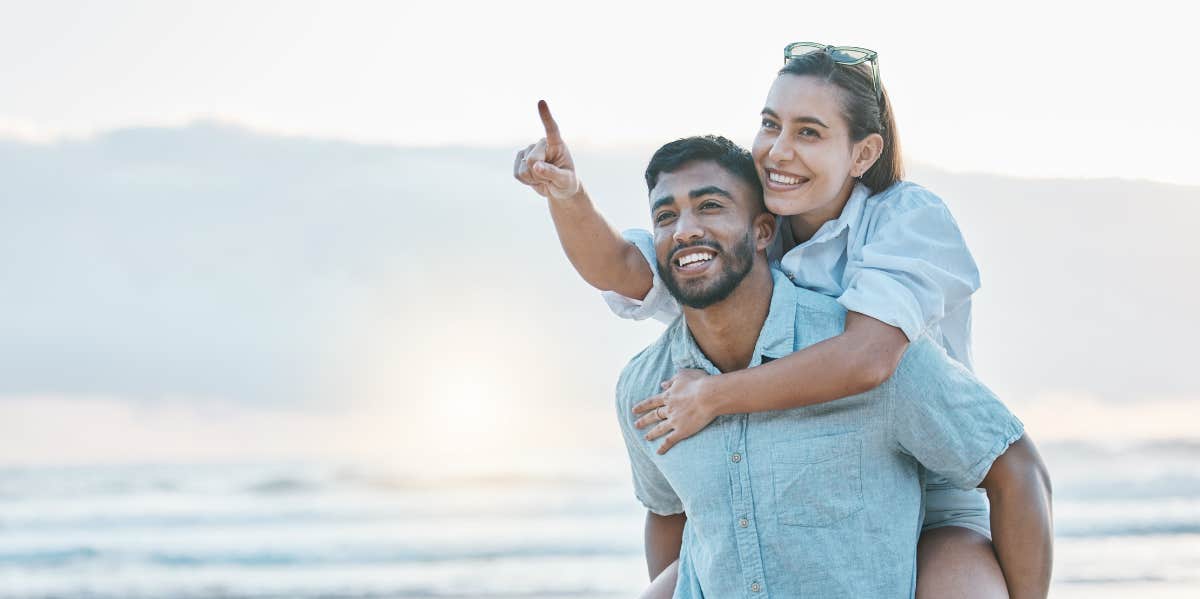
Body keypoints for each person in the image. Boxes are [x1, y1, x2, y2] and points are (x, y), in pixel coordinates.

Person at [514, 43, 1013, 597]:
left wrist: (714, 397)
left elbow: (869, 357)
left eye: (809, 133)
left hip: (934, 490)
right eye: (771, 125)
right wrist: (567, 194)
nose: (778, 150)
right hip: (809, 495)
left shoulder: (907, 221)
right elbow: (623, 267)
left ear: (863, 153)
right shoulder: (758, 224)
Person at [616, 134, 1051, 597]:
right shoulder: (643, 386)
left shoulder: (875, 355)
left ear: (763, 231)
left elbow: (1015, 468)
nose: (684, 230)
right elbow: (667, 513)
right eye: (665, 216)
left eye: (710, 207)